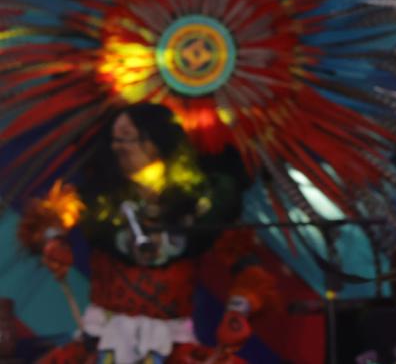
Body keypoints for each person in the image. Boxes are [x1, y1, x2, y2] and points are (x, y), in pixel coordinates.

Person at [18, 103, 271, 364]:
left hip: (172, 344)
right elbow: (51, 217)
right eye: (114, 139)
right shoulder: (100, 199)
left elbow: (246, 266)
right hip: (103, 339)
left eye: (126, 138)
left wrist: (238, 310)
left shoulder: (199, 203)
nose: (117, 147)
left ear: (155, 141)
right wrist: (52, 242)